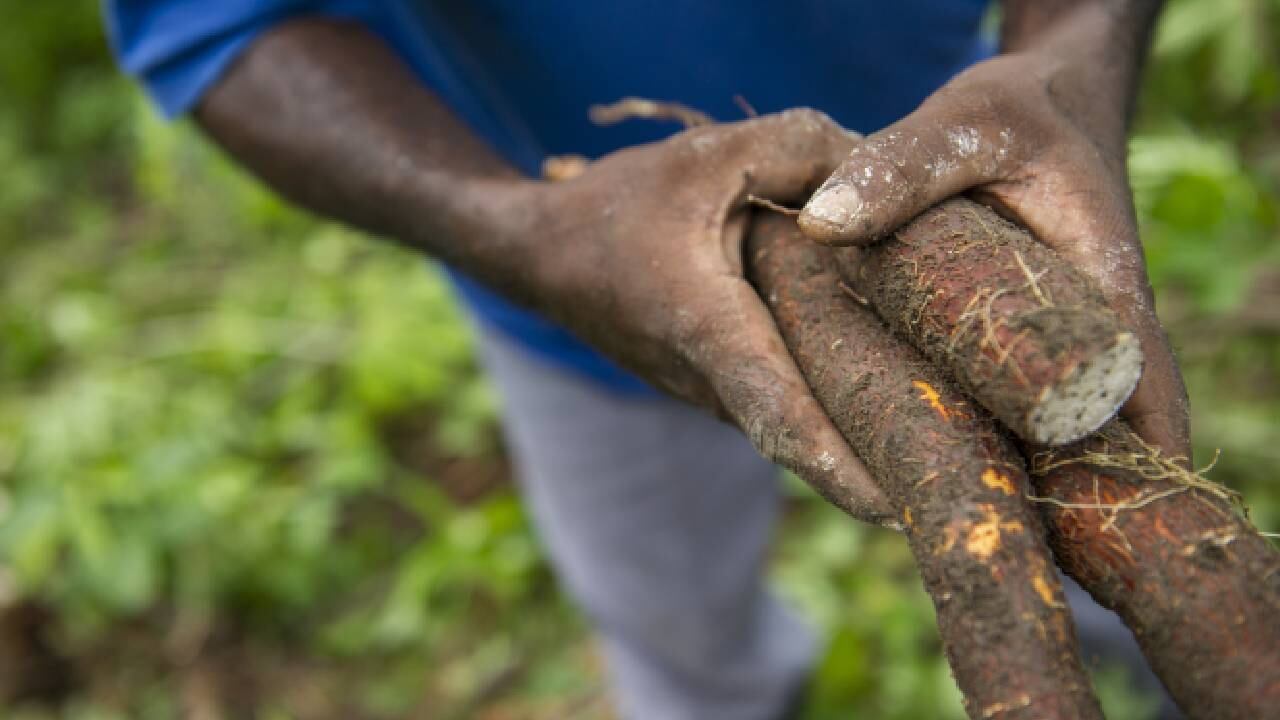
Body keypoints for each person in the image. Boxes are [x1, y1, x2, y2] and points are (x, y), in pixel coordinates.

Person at [104, 2, 1189, 718]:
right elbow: (212, 20)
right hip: (580, 270)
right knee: (678, 631)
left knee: (1123, 526)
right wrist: (516, 230)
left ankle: (1143, 654)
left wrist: (1068, 60)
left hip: (972, 202)